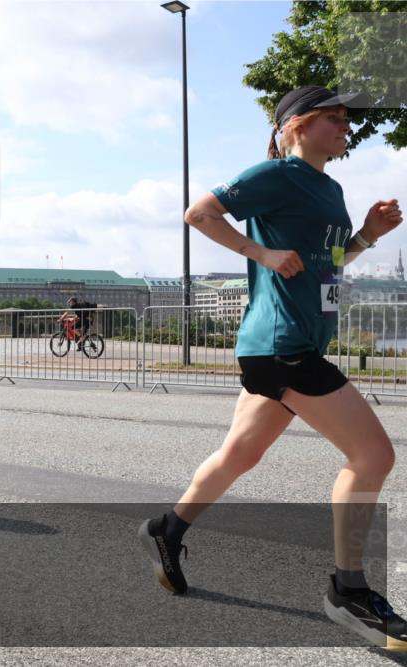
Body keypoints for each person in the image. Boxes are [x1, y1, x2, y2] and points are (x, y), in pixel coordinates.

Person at [137, 86, 405, 649]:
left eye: (347, 119)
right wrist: (260, 254)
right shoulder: (277, 174)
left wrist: (366, 235)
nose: (346, 127)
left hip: (295, 341)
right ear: (298, 125)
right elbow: (199, 213)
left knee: (241, 453)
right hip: (283, 346)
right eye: (335, 118)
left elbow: (327, 263)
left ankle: (167, 529)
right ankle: (348, 591)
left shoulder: (330, 188)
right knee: (373, 456)